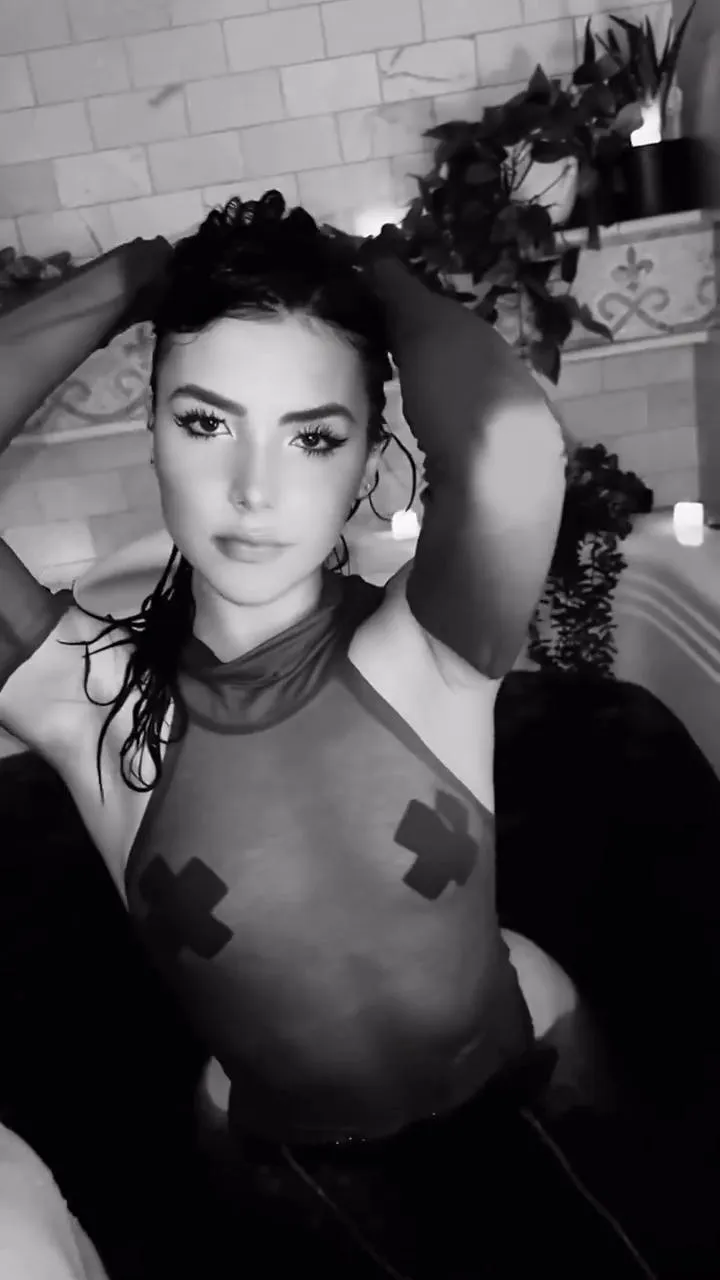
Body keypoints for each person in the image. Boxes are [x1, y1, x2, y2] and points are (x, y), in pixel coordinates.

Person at [0, 192, 652, 1278]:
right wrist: (134, 279)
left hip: (536, 1071)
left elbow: (509, 442)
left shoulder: (430, 648)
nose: (254, 491)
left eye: (313, 436)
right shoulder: (96, 711)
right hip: (296, 1164)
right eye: (204, 422)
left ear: (366, 463)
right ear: (150, 432)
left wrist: (375, 271)